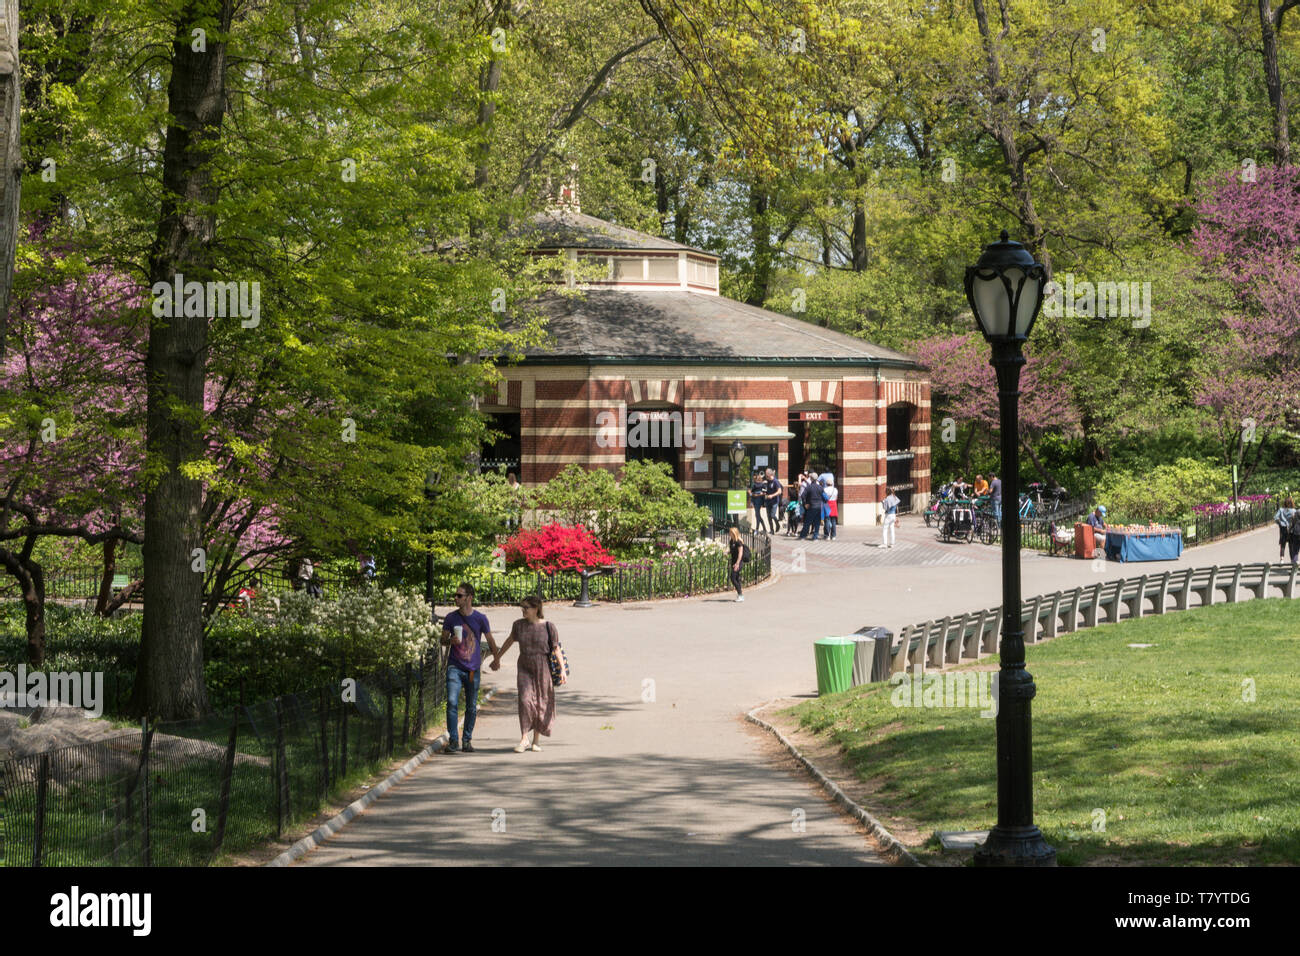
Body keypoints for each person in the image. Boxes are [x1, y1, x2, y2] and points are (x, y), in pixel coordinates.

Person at [491, 595, 564, 752]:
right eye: (521, 607)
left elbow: (556, 649)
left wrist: (563, 670)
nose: (523, 610)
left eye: (526, 608)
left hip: (543, 667)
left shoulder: (548, 627)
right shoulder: (518, 625)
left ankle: (536, 740)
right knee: (525, 700)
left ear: (536, 609)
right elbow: (509, 641)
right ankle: (524, 737)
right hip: (524, 665)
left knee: (540, 702)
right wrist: (497, 658)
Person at [440, 583, 498, 754]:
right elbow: (442, 641)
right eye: (455, 595)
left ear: (469, 598)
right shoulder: (451, 618)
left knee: (471, 705)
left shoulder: (480, 618)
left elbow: (490, 639)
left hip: (472, 670)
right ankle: (453, 740)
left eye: (460, 595)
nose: (456, 598)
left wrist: (497, 658)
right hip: (454, 668)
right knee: (452, 702)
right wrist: (450, 641)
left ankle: (467, 740)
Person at [798, 475, 823, 541]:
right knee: (817, 523)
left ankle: (803, 536)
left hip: (811, 507)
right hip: (819, 507)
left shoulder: (809, 487)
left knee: (807, 522)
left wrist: (805, 503)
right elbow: (825, 497)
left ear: (811, 479)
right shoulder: (820, 487)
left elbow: (802, 496)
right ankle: (815, 537)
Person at [1276, 496, 1299, 563]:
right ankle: (1292, 560)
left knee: (1282, 545)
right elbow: (1296, 521)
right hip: (1291, 530)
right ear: (1291, 503)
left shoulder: (1281, 510)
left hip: (1283, 529)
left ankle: (1282, 559)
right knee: (1291, 545)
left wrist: (1281, 523)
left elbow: (1275, 518)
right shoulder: (1294, 511)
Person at [727, 526, 748, 601]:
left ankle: (740, 594)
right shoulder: (731, 541)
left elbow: (740, 553)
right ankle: (740, 595)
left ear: (734, 533)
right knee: (736, 578)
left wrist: (737, 563)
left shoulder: (739, 542)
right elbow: (733, 551)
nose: (729, 534)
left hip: (738, 562)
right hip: (733, 561)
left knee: (733, 578)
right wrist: (728, 552)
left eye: (730, 533)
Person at [749, 470, 770, 534]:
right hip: (754, 499)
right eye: (754, 477)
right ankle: (764, 528)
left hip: (759, 500)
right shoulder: (754, 484)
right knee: (757, 515)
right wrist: (752, 494)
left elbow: (765, 492)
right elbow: (750, 492)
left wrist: (759, 494)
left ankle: (757, 529)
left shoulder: (762, 484)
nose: (754, 478)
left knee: (757, 515)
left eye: (755, 477)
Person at [764, 468, 784, 532]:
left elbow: (779, 491)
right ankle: (771, 530)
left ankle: (777, 524)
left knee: (772, 515)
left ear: (769, 474)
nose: (765, 476)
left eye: (766, 474)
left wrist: (772, 495)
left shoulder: (775, 481)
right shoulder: (767, 481)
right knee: (768, 516)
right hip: (768, 501)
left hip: (774, 501)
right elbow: (766, 490)